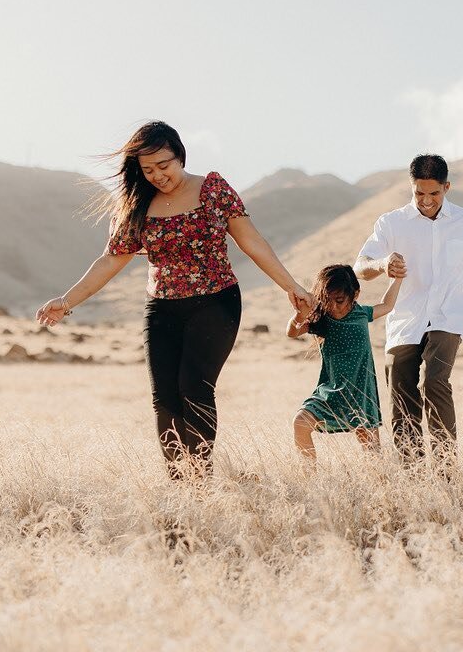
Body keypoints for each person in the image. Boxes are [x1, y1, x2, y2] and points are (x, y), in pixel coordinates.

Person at [36, 121, 311, 479]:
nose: (157, 176)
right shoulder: (137, 204)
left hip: (217, 302)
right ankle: (179, 483)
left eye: (163, 166)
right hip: (162, 309)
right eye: (147, 170)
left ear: (180, 155)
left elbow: (252, 242)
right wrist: (67, 300)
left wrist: (291, 286)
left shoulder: (212, 188)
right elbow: (109, 261)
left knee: (194, 389)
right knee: (164, 400)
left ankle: (199, 478)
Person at [354, 154, 463, 465]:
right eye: (418, 193)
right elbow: (361, 267)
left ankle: (446, 468)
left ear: (446, 187)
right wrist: (383, 264)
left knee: (435, 381)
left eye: (433, 193)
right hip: (404, 322)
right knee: (401, 390)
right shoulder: (390, 223)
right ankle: (414, 473)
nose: (425, 200)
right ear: (411, 187)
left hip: (446, 319)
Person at [287, 264, 403, 462]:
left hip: (360, 393)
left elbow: (387, 305)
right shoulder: (322, 319)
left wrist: (398, 278)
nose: (334, 306)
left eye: (339, 300)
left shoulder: (361, 314)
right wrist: (300, 314)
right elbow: (292, 332)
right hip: (331, 390)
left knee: (373, 455)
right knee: (300, 423)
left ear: (355, 294)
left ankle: (382, 488)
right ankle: (310, 479)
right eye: (328, 300)